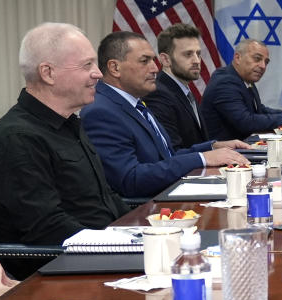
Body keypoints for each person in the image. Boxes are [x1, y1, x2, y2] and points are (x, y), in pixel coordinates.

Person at [0, 23, 129, 246]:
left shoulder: (70, 123)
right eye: (86, 65)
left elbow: (105, 199)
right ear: (48, 73)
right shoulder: (16, 138)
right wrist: (121, 243)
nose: (98, 73)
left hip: (103, 248)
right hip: (59, 266)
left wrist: (145, 230)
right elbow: (46, 228)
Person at [81, 31, 250, 198]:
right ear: (115, 68)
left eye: (153, 60)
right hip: (145, 212)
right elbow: (130, 180)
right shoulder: (101, 112)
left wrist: (212, 147)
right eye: (144, 61)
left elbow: (167, 156)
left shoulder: (135, 103)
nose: (155, 68)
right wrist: (202, 158)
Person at [201, 39, 282, 141]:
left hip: (240, 147)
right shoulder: (225, 82)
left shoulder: (245, 79)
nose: (263, 66)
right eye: (257, 59)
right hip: (221, 152)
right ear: (238, 58)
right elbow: (246, 122)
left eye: (266, 62)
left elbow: (259, 110)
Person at [143, 23, 207, 148]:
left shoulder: (184, 89)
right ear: (165, 60)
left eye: (198, 54)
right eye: (188, 54)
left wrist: (216, 146)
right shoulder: (157, 93)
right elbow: (172, 150)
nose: (196, 60)